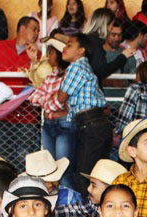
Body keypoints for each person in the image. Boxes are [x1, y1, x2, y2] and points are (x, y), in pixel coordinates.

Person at [0, 16, 41, 163]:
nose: (37, 33)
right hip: (0, 114)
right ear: (22, 28)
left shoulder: (37, 55)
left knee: (23, 158)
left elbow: (41, 81)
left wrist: (34, 61)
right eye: (34, 29)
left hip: (26, 116)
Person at [57, 32, 113, 193]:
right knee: (98, 176)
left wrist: (63, 78)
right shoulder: (85, 66)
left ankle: (86, 216)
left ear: (81, 50)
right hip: (97, 123)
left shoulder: (75, 68)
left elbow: (61, 97)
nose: (65, 48)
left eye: (69, 45)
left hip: (89, 125)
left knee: (84, 177)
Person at [29, 32, 75, 189]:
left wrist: (49, 104)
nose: (48, 55)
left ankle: (68, 203)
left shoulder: (71, 75)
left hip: (65, 125)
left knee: (64, 171)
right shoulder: (53, 75)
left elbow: (67, 103)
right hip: (50, 124)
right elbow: (34, 97)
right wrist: (53, 105)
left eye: (51, 52)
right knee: (49, 169)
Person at [82, 8, 135, 81]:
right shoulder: (95, 42)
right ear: (104, 24)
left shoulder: (87, 40)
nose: (111, 28)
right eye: (111, 25)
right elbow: (102, 71)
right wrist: (122, 57)